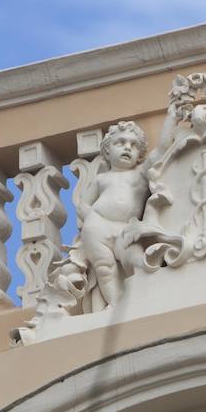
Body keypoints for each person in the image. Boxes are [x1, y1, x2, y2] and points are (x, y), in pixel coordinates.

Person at [78, 106, 177, 305]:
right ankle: (115, 304)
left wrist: (172, 117)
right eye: (120, 143)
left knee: (134, 257)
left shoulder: (140, 174)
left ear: (140, 154)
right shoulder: (102, 178)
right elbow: (83, 205)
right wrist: (91, 219)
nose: (127, 148)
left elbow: (162, 149)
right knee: (104, 267)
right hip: (97, 226)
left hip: (125, 228)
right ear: (107, 150)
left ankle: (142, 296)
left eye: (133, 145)